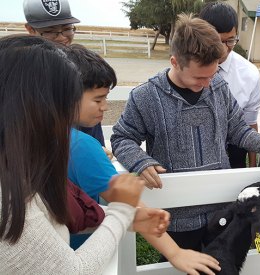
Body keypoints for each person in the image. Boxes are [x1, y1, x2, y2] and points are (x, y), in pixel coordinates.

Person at [110, 14, 260, 261]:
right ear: (175, 61)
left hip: (221, 207)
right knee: (180, 266)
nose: (207, 84)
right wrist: (141, 162)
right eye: (198, 78)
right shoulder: (145, 96)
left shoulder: (219, 88)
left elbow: (238, 129)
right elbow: (122, 138)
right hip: (177, 216)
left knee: (221, 264)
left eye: (212, 75)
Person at [0, 35, 168, 274]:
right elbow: (74, 270)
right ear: (31, 108)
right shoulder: (7, 199)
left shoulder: (16, 171)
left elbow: (45, 221)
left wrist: (125, 216)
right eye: (63, 105)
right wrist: (121, 210)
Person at [65, 43, 221, 274]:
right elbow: (126, 201)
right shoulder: (82, 146)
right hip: (84, 254)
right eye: (98, 100)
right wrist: (175, 252)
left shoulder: (39, 137)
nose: (105, 107)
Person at [23, 0, 106, 148]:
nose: (61, 37)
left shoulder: (81, 64)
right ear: (30, 29)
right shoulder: (22, 73)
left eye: (67, 29)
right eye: (49, 31)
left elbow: (91, 125)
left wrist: (96, 148)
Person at [199, 1, 260, 168]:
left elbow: (250, 123)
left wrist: (252, 167)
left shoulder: (250, 73)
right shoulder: (185, 68)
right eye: (217, 41)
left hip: (235, 149)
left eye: (230, 41)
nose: (224, 49)